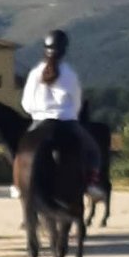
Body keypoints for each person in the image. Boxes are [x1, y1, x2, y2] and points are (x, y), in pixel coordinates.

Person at [21, 29, 101, 188]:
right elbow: (76, 101)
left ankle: (19, 184)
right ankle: (91, 185)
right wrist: (72, 114)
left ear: (45, 48)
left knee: (21, 150)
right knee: (94, 151)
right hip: (66, 121)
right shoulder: (69, 73)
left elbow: (26, 102)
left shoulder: (35, 73)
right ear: (64, 49)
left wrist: (37, 113)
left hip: (39, 120)